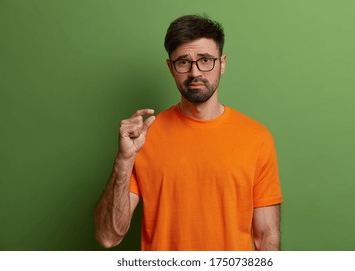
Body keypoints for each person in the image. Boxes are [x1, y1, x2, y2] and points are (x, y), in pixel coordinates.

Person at [94, 14, 283, 251]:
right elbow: (108, 237)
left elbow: (267, 237)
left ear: (222, 63)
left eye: (205, 60)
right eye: (183, 62)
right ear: (170, 68)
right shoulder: (145, 137)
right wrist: (124, 161)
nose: (195, 73)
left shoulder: (257, 138)